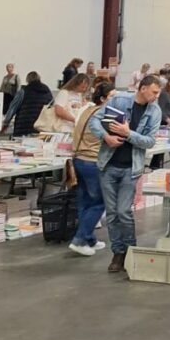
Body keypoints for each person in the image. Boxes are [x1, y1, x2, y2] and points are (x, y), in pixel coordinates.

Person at [88, 75, 161, 273]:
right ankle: (118, 253)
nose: (156, 96)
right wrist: (106, 137)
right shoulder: (119, 100)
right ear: (143, 88)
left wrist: (127, 133)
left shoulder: (155, 111)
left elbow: (149, 141)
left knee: (123, 211)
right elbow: (94, 122)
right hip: (108, 165)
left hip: (131, 168)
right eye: (154, 92)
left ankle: (130, 249)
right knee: (112, 213)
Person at [68, 81, 115, 257]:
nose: (116, 100)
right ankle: (80, 240)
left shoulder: (87, 110)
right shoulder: (104, 115)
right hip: (92, 161)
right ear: (103, 98)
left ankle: (89, 238)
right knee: (99, 202)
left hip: (79, 159)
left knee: (85, 201)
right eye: (112, 96)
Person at [3, 71, 53, 137]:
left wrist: (5, 124)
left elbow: (12, 109)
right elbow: (52, 108)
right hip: (41, 128)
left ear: (27, 80)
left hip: (23, 128)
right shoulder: (47, 91)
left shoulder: (23, 91)